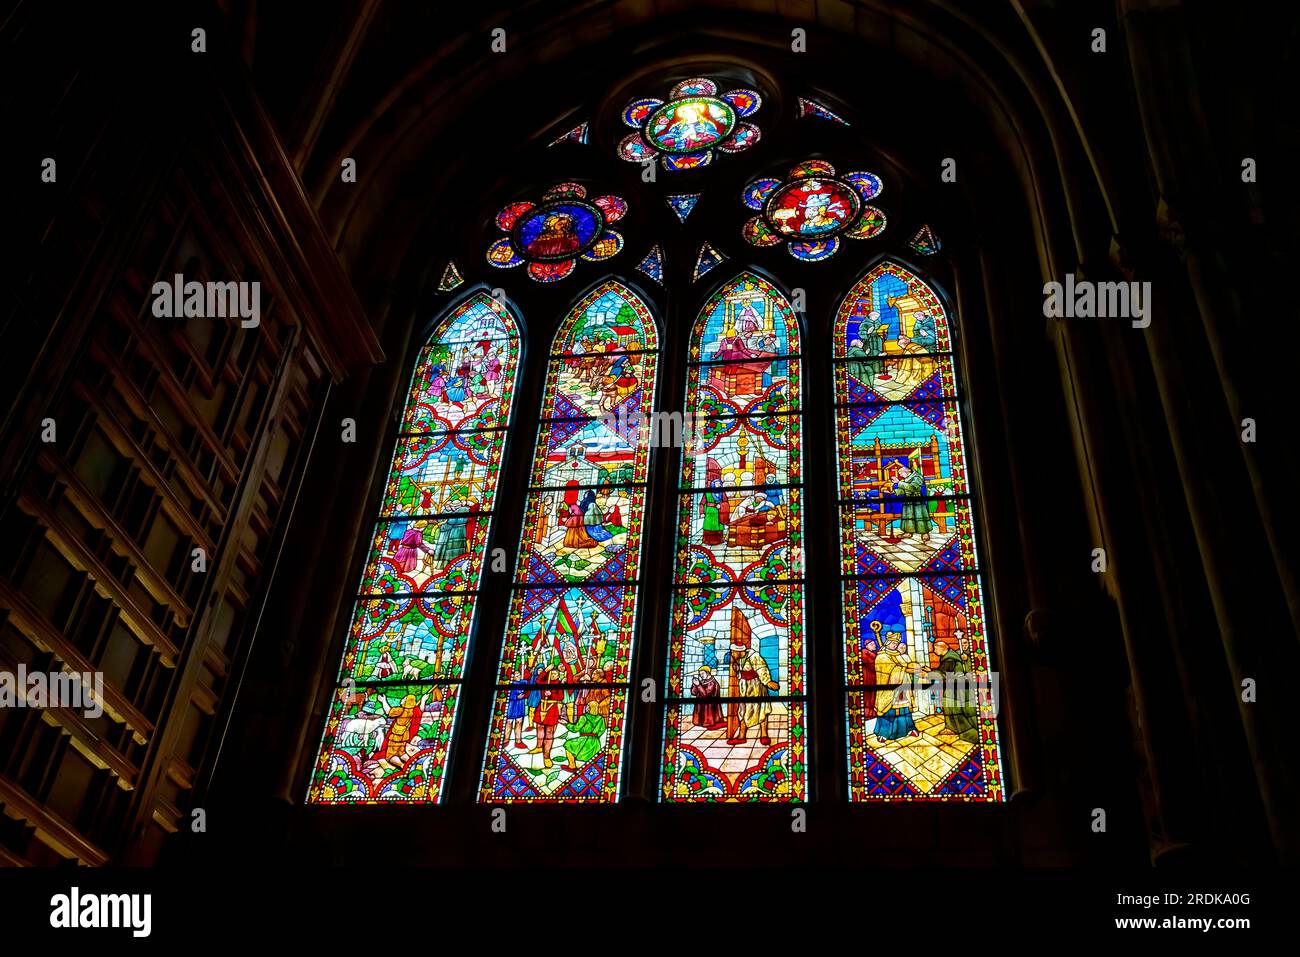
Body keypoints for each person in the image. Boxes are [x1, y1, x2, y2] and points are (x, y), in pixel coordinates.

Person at [873, 636, 920, 740]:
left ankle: (909, 728)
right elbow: (888, 670)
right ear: (887, 643)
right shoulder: (882, 657)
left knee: (905, 708)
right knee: (888, 710)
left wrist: (912, 668)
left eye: (896, 644)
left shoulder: (897, 655)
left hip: (903, 686)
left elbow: (905, 666)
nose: (895, 646)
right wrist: (905, 669)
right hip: (889, 689)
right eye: (893, 643)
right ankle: (884, 733)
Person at [893, 464, 932, 542]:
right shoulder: (907, 479)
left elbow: (912, 487)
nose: (900, 475)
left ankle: (925, 533)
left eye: (901, 473)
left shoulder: (917, 477)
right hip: (908, 499)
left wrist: (899, 482)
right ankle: (908, 532)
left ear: (907, 472)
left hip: (917, 499)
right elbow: (904, 489)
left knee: (920, 515)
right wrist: (894, 491)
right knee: (908, 516)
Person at [690, 666, 726, 730]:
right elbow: (693, 693)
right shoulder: (702, 681)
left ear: (708, 673)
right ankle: (700, 721)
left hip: (709, 705)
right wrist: (694, 684)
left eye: (702, 673)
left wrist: (698, 685)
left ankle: (708, 722)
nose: (701, 675)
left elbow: (705, 695)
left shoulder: (712, 682)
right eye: (700, 674)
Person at [505, 667, 530, 749]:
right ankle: (505, 740)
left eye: (519, 675)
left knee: (519, 722)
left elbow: (529, 684)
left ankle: (518, 741)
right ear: (512, 677)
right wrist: (516, 697)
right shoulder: (510, 684)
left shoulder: (523, 682)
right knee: (509, 722)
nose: (518, 676)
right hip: (512, 705)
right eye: (516, 675)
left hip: (520, 705)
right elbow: (507, 694)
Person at [700, 478, 730, 545]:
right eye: (717, 483)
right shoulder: (707, 493)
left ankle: (719, 540)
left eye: (719, 484)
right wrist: (702, 512)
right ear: (713, 484)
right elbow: (702, 503)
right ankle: (707, 540)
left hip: (719, 512)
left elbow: (726, 502)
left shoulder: (722, 493)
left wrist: (721, 505)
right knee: (709, 525)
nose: (718, 485)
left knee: (718, 526)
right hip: (709, 512)